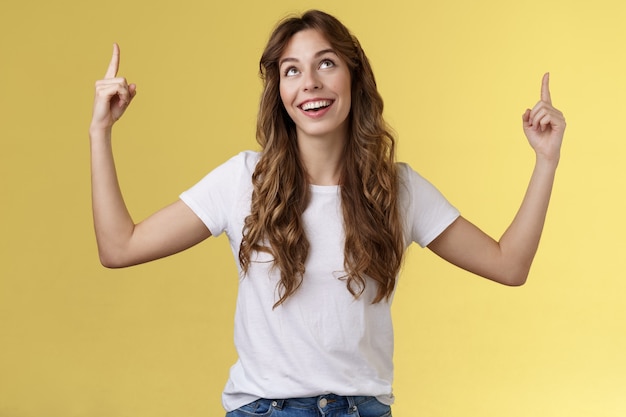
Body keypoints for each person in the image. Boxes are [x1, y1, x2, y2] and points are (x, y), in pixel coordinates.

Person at [89, 9, 565, 417]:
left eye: (326, 64)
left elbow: (509, 265)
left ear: (354, 76)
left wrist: (546, 160)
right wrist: (100, 132)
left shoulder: (397, 189)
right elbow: (119, 247)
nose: (310, 83)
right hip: (266, 409)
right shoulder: (243, 181)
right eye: (291, 71)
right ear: (279, 90)